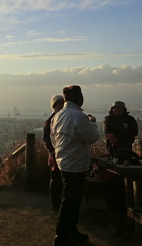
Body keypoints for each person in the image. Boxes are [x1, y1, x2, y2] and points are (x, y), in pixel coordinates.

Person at [51, 85, 99, 246]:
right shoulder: (78, 116)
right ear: (78, 98)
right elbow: (92, 137)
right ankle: (61, 235)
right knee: (70, 199)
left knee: (71, 198)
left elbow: (53, 138)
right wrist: (92, 123)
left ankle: (70, 231)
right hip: (75, 164)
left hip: (64, 162)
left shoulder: (58, 115)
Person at [43, 94, 64, 210]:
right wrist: (51, 151)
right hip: (55, 154)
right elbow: (46, 137)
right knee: (56, 178)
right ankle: (55, 202)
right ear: (55, 104)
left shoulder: (59, 118)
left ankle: (59, 200)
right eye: (59, 103)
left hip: (61, 153)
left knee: (60, 178)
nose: (62, 105)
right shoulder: (51, 120)